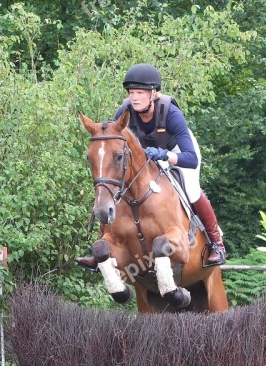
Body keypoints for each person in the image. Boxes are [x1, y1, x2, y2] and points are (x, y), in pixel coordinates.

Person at [76, 63, 226, 269]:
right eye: (131, 92)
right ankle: (102, 245)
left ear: (153, 93)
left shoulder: (171, 113)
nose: (134, 97)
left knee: (191, 190)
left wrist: (166, 156)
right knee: (115, 189)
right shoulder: (125, 111)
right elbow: (113, 141)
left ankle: (216, 243)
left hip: (177, 153)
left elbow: (191, 159)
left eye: (139, 93)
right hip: (143, 156)